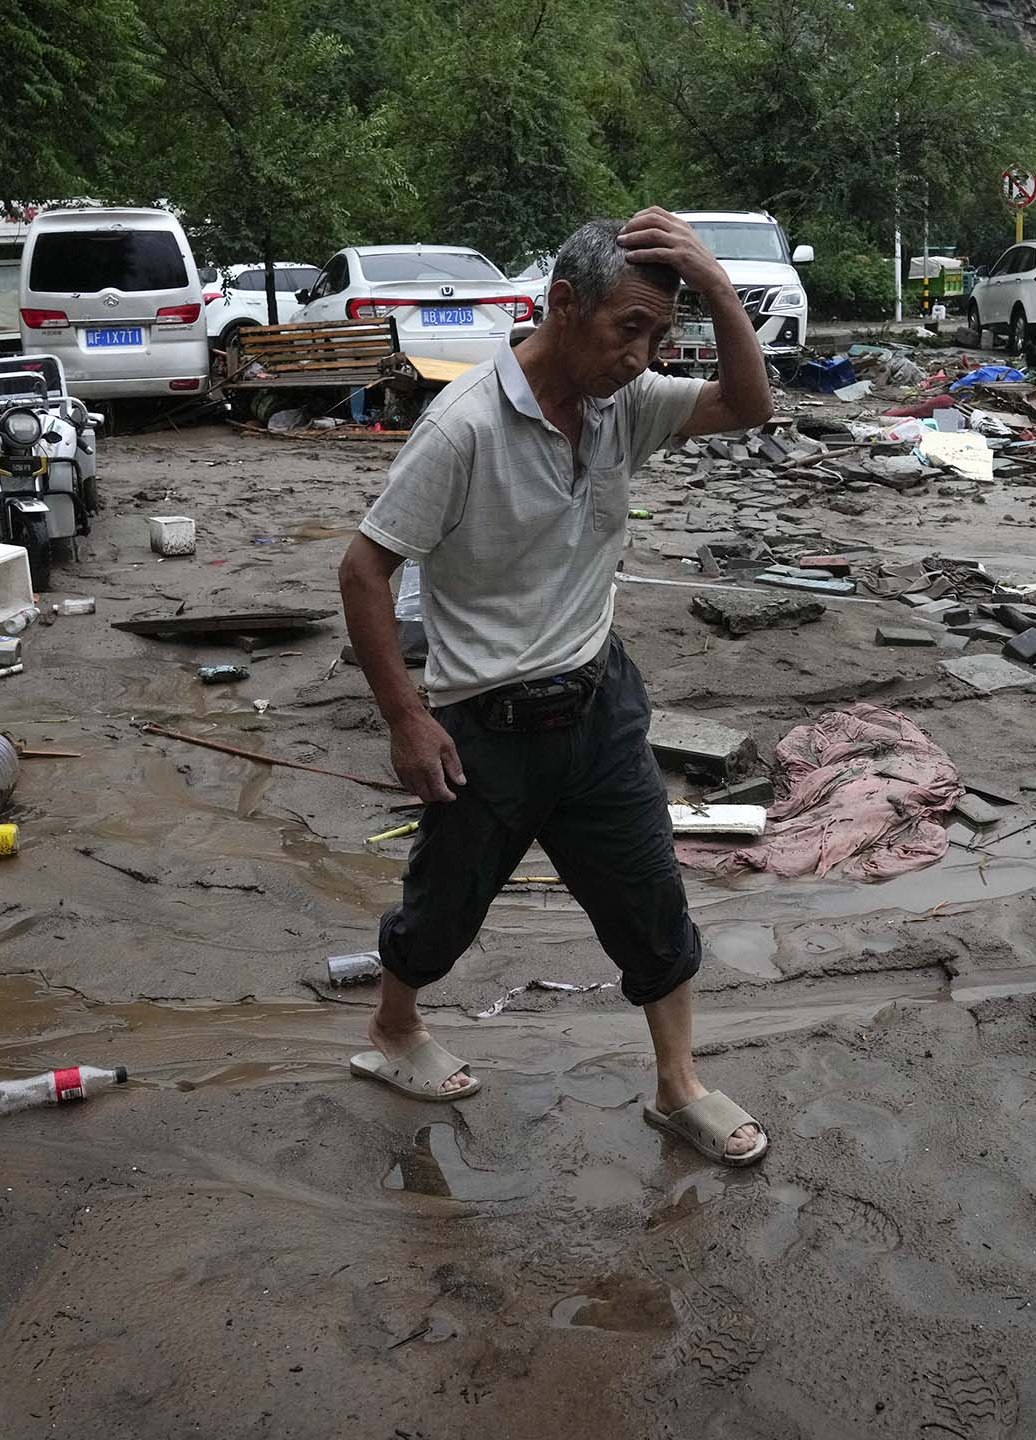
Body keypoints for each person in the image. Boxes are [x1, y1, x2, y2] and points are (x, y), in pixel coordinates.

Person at [335, 209, 775, 1166]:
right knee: (441, 910)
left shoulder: (627, 404)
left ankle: (677, 1085)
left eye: (660, 334)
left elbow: (751, 406)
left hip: (598, 703)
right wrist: (408, 722)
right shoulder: (464, 428)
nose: (642, 354)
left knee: (651, 905)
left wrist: (717, 288)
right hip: (482, 727)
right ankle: (393, 1030)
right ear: (563, 306)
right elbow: (364, 570)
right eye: (629, 328)